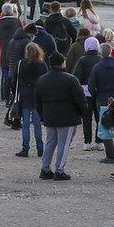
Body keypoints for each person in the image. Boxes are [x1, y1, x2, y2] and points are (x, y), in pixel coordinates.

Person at [34, 52, 87, 181]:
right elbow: (80, 99)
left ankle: (45, 168)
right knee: (64, 144)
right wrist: (81, 112)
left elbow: (37, 101)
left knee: (50, 143)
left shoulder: (42, 79)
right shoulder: (70, 79)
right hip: (67, 117)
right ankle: (59, 170)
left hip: (49, 116)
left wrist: (42, 115)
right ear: (62, 63)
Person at [88, 43, 114, 163]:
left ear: (100, 53)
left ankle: (110, 155)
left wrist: (96, 95)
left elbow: (91, 86)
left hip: (102, 99)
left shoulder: (97, 68)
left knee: (105, 126)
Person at [13, 43, 48, 158]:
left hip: (24, 95)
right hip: (38, 96)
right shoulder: (42, 65)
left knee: (26, 124)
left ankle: (25, 148)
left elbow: (15, 80)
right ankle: (40, 148)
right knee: (37, 124)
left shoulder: (21, 64)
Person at [71, 37, 104, 151]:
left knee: (87, 118)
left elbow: (76, 77)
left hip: (85, 91)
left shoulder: (82, 60)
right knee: (99, 117)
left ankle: (87, 142)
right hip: (99, 91)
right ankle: (99, 141)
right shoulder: (101, 59)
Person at [0, 3, 23, 101]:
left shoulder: (0, 23)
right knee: (15, 73)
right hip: (16, 50)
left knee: (5, 74)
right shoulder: (17, 22)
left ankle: (4, 95)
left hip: (4, 50)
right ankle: (14, 95)